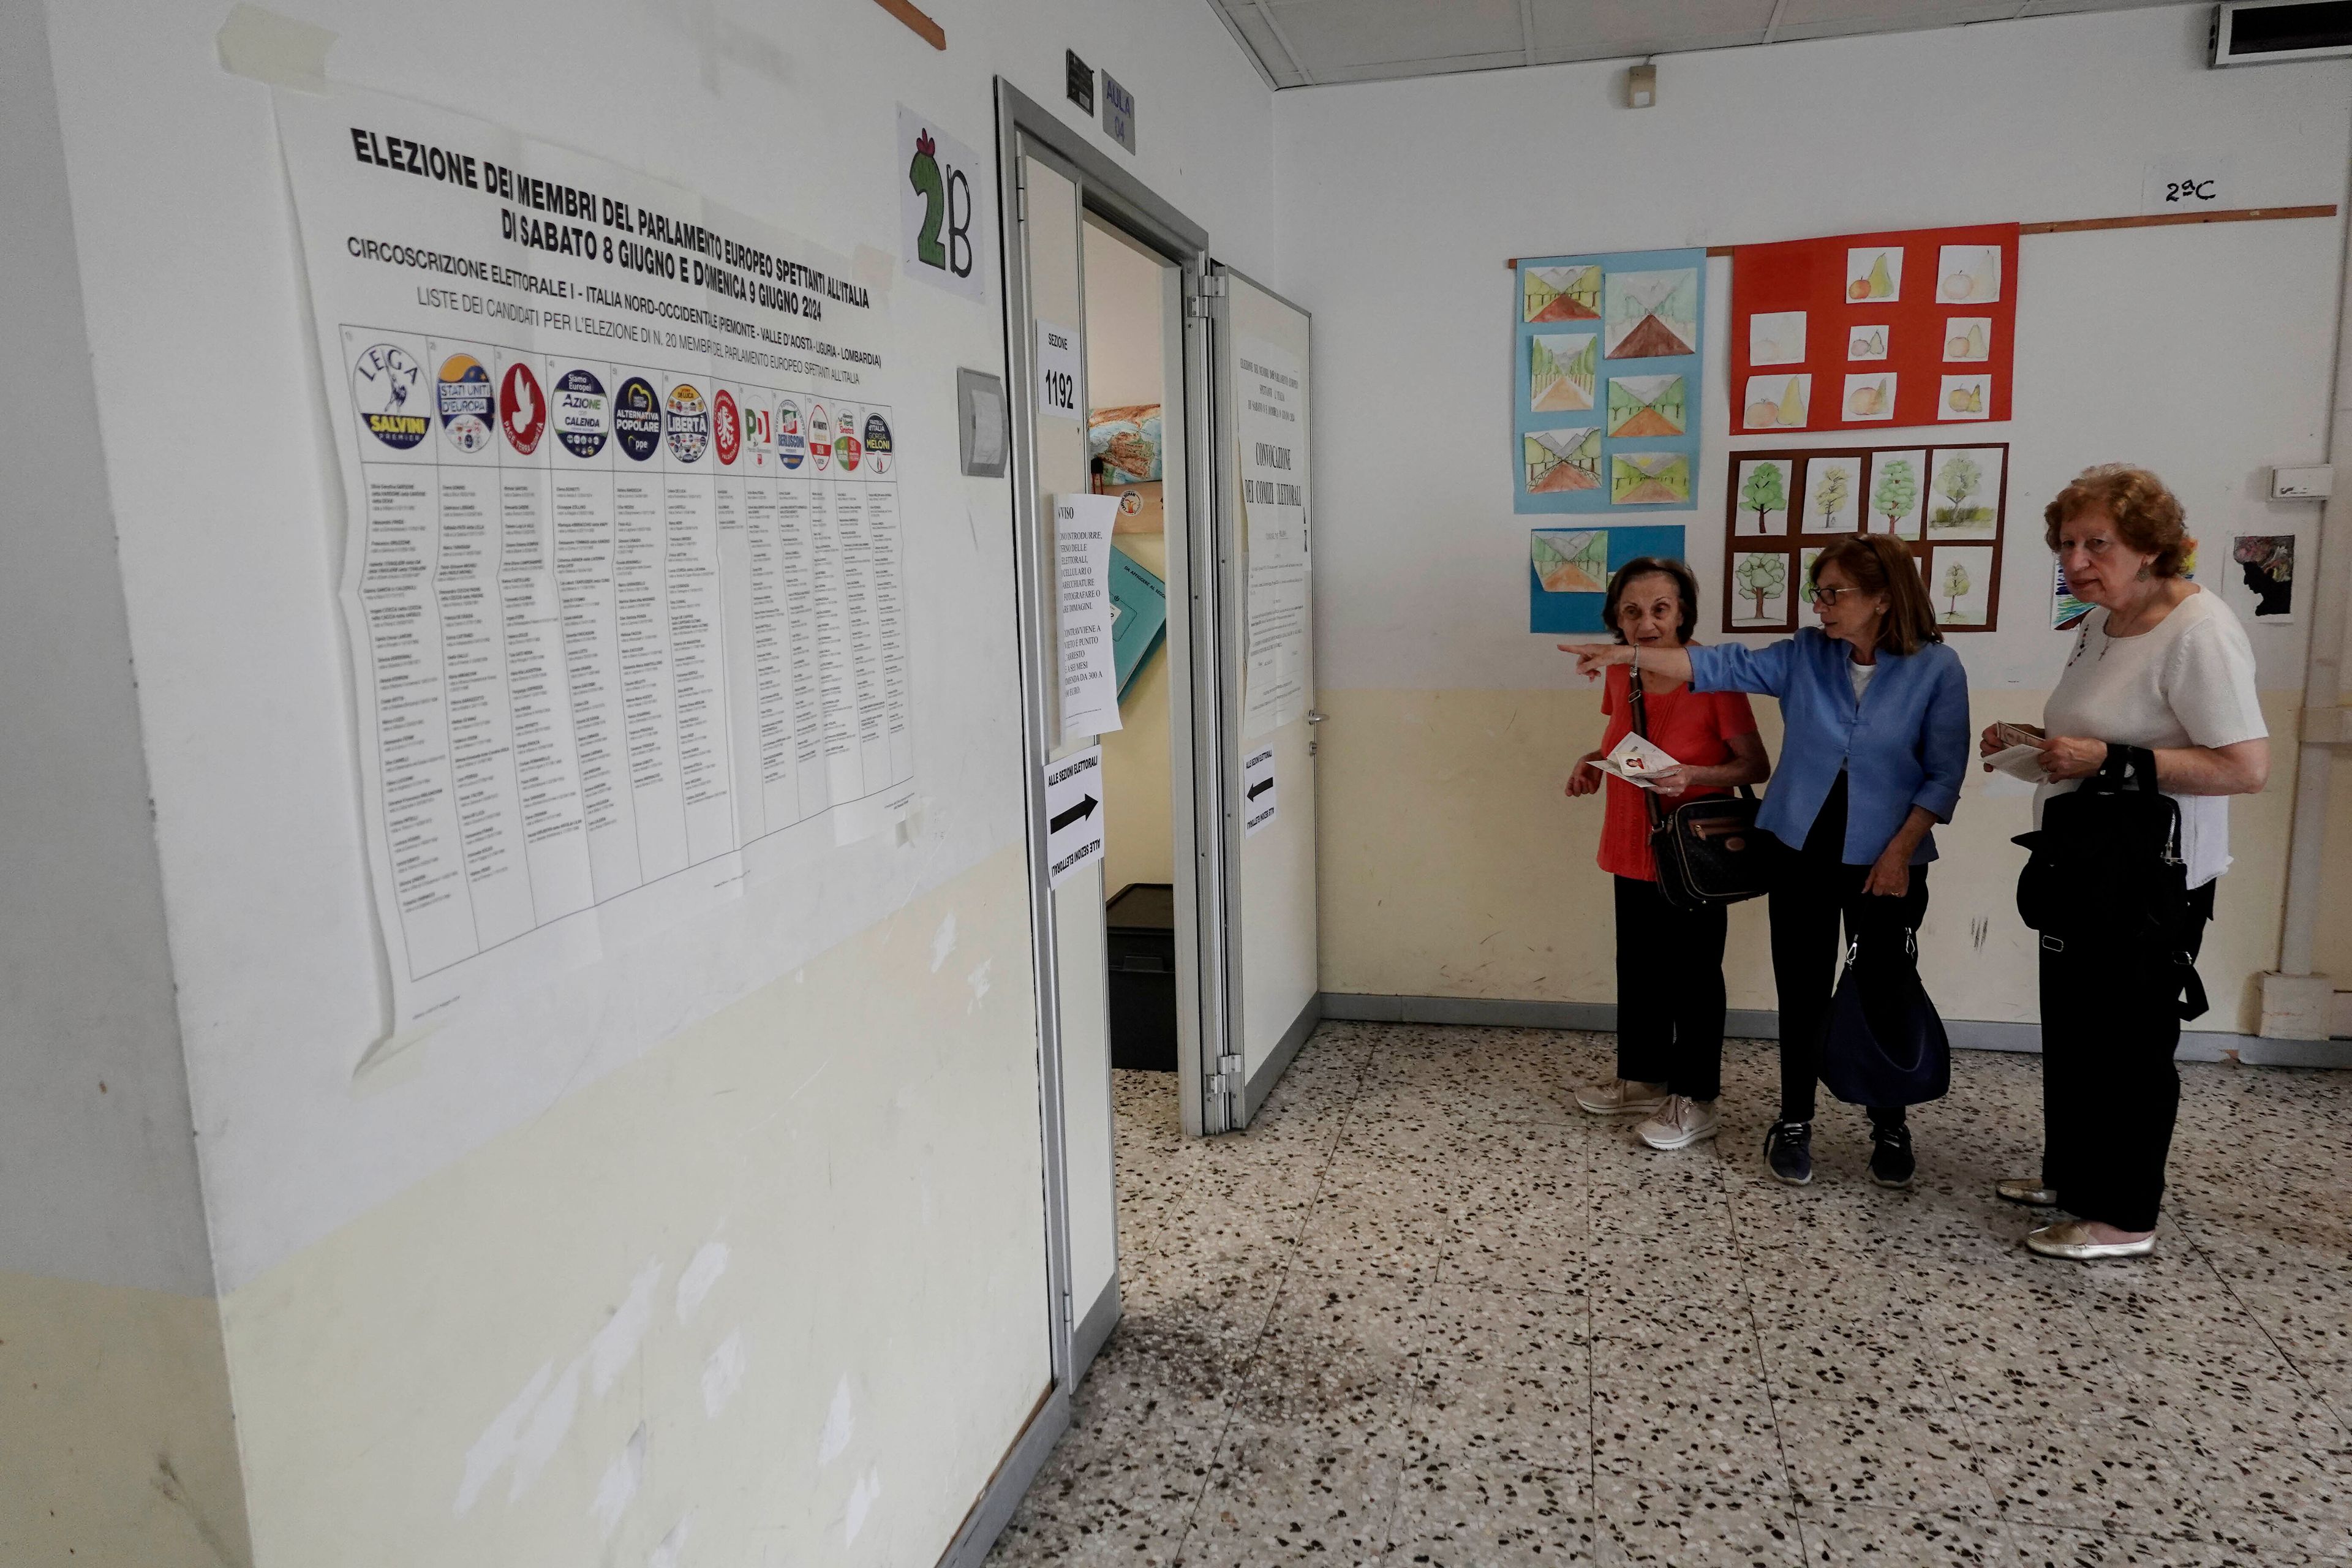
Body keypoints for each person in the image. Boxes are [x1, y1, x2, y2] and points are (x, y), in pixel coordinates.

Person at [1562, 534, 1969, 1189]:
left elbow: (1945, 774)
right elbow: (1719, 667)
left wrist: (1899, 851)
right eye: (1819, 591)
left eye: (1834, 593)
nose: (1821, 605)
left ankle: (1889, 1123)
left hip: (1889, 855)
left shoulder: (1937, 669)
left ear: (1884, 599)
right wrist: (1626, 652)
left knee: (1883, 988)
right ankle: (1795, 1118)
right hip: (1798, 846)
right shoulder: (1806, 655)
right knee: (1801, 989)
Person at [1983, 465, 2268, 1262]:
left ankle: (2124, 1215)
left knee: (2130, 1047)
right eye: (2067, 544)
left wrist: (2111, 760)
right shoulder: (2101, 620)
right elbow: (2093, 730)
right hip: (2081, 864)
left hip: (2153, 878)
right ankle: (2073, 1179)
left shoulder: (2199, 629)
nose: (2076, 560)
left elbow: (2244, 767)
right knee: (2075, 1033)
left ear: (2148, 545)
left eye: (2096, 543)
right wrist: (2037, 745)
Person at [1564, 558, 1769, 1150]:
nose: (1646, 623)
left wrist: (1693, 774)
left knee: (1695, 976)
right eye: (1632, 611)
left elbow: (1754, 766)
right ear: (1616, 619)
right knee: (1641, 967)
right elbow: (1622, 746)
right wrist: (1590, 762)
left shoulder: (1712, 675)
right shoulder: (1617, 674)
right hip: (1631, 843)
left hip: (1691, 855)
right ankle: (1644, 1079)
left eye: (1660, 609)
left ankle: (1696, 1097)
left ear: (1683, 614)